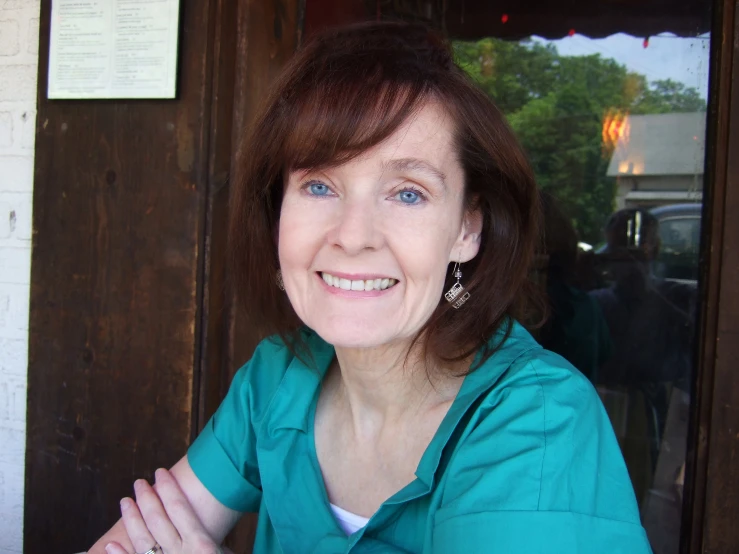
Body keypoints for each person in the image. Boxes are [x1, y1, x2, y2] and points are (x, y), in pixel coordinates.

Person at [91, 22, 651, 554]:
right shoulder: (280, 376)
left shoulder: (537, 419)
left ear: (466, 228)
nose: (353, 237)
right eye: (318, 184)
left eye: (407, 193)